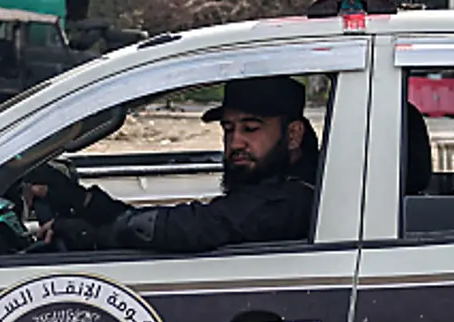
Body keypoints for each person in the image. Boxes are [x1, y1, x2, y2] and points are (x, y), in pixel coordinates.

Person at [34, 75, 319, 252]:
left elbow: (193, 228)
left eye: (251, 128)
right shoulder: (272, 185)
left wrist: (88, 234)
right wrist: (82, 201)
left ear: (293, 135)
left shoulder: (290, 200)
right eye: (229, 129)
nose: (235, 143)